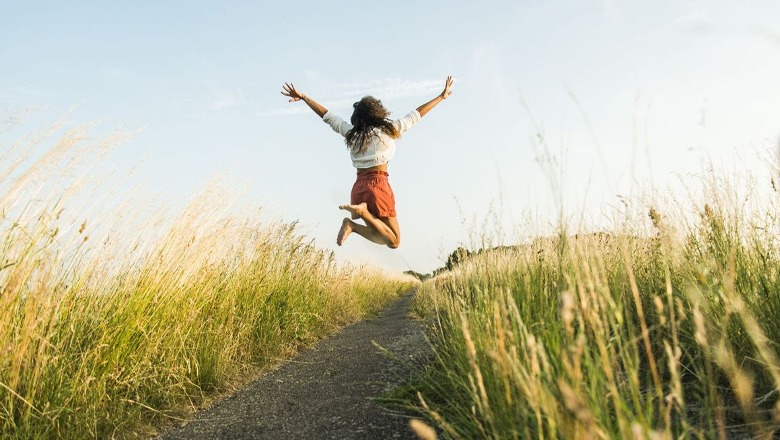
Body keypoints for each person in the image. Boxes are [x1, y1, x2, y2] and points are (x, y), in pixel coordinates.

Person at [281, 76, 454, 249]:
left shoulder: (352, 134)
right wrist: (441, 97)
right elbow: (417, 114)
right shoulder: (389, 130)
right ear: (377, 112)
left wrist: (304, 97)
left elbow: (327, 116)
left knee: (381, 236)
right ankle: (361, 215)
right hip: (378, 186)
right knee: (394, 241)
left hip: (359, 188)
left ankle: (353, 225)